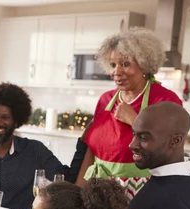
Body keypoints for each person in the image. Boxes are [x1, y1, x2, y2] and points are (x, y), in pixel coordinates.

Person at [76, 28, 182, 198]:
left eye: (125, 64)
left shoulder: (165, 100)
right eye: (112, 65)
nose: (117, 72)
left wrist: (135, 119)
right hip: (100, 190)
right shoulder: (106, 100)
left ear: (144, 64)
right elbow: (92, 150)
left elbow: (170, 149)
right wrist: (78, 191)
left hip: (144, 190)